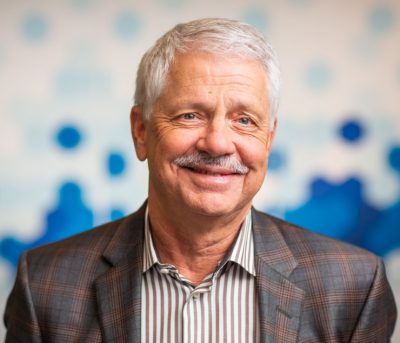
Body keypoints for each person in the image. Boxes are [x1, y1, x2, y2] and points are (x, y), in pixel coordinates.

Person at [4, 18, 397, 343]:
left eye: (245, 120)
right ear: (141, 131)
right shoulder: (44, 285)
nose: (218, 142)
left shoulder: (353, 287)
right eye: (190, 115)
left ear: (269, 140)